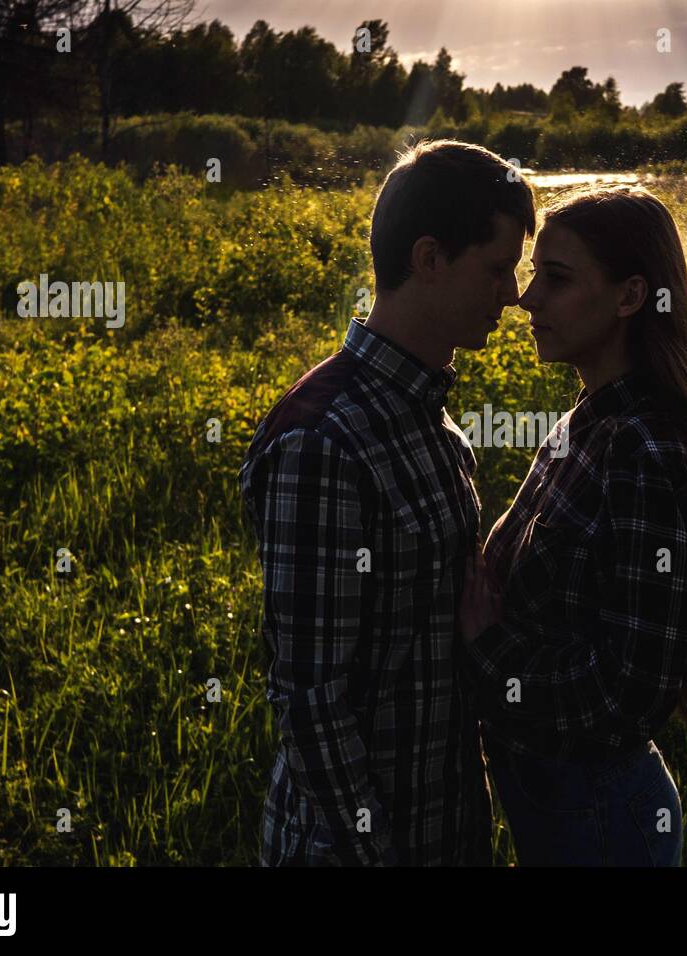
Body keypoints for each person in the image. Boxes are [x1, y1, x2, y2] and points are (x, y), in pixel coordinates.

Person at [239, 139, 534, 865]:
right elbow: (309, 697)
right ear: (429, 259)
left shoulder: (435, 425)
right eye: (497, 269)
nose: (514, 294)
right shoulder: (326, 442)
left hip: (448, 830)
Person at [457, 184, 687, 866]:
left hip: (601, 817)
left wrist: (488, 652)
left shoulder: (641, 449)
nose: (527, 299)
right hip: (564, 804)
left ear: (628, 297)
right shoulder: (587, 422)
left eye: (555, 279)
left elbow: (628, 692)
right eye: (533, 274)